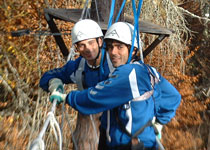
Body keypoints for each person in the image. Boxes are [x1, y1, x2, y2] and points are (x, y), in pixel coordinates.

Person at [50, 22, 181, 150]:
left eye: (120, 47)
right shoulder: (149, 70)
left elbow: (95, 98)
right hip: (139, 141)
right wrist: (159, 122)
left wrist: (66, 97)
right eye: (110, 47)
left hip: (128, 144)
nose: (113, 52)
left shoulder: (128, 74)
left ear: (133, 50)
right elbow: (173, 97)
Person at [39, 19, 114, 150]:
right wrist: (55, 84)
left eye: (91, 42)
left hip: (115, 117)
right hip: (89, 116)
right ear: (76, 48)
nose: (88, 49)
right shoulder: (79, 66)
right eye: (81, 45)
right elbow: (47, 76)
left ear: (100, 41)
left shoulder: (114, 64)